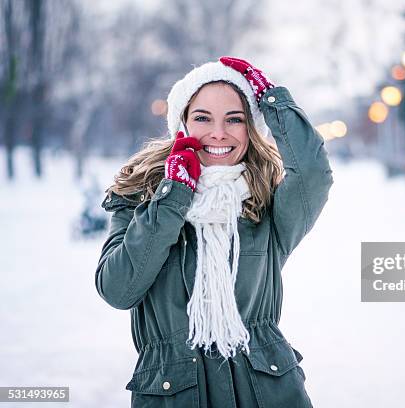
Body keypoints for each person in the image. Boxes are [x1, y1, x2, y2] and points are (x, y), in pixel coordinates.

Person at [95, 56, 333, 408]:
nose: (218, 133)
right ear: (182, 124)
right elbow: (118, 289)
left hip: (266, 391)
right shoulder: (139, 196)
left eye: (234, 119)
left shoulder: (266, 202)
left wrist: (273, 101)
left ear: (250, 129)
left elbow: (313, 174)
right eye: (202, 118)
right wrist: (173, 196)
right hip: (172, 393)